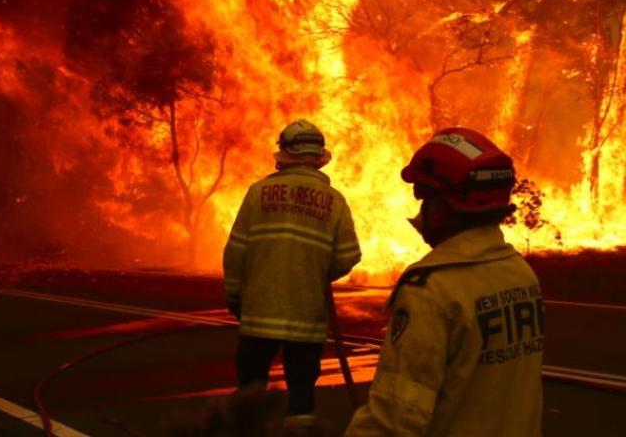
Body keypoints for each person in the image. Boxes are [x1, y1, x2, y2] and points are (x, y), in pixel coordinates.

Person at [345, 128, 544, 436]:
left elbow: (395, 419)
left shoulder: (432, 290)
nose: (422, 209)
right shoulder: (519, 273)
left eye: (424, 195)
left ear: (449, 202)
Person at [223, 119, 361, 431]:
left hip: (258, 314)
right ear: (318, 158)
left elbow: (236, 250)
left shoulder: (258, 193)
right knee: (301, 397)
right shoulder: (335, 202)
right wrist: (317, 272)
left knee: (250, 395)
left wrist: (234, 294)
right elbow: (349, 255)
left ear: (283, 154)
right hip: (306, 319)